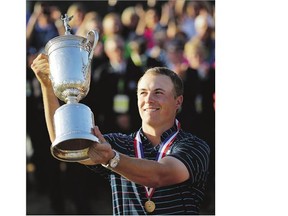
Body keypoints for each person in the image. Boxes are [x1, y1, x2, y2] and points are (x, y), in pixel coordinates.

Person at [31, 54, 210, 215]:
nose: (148, 99)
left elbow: (159, 175)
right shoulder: (119, 143)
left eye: (158, 93)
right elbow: (63, 141)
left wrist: (113, 159)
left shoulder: (195, 146)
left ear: (178, 102)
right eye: (143, 93)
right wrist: (47, 86)